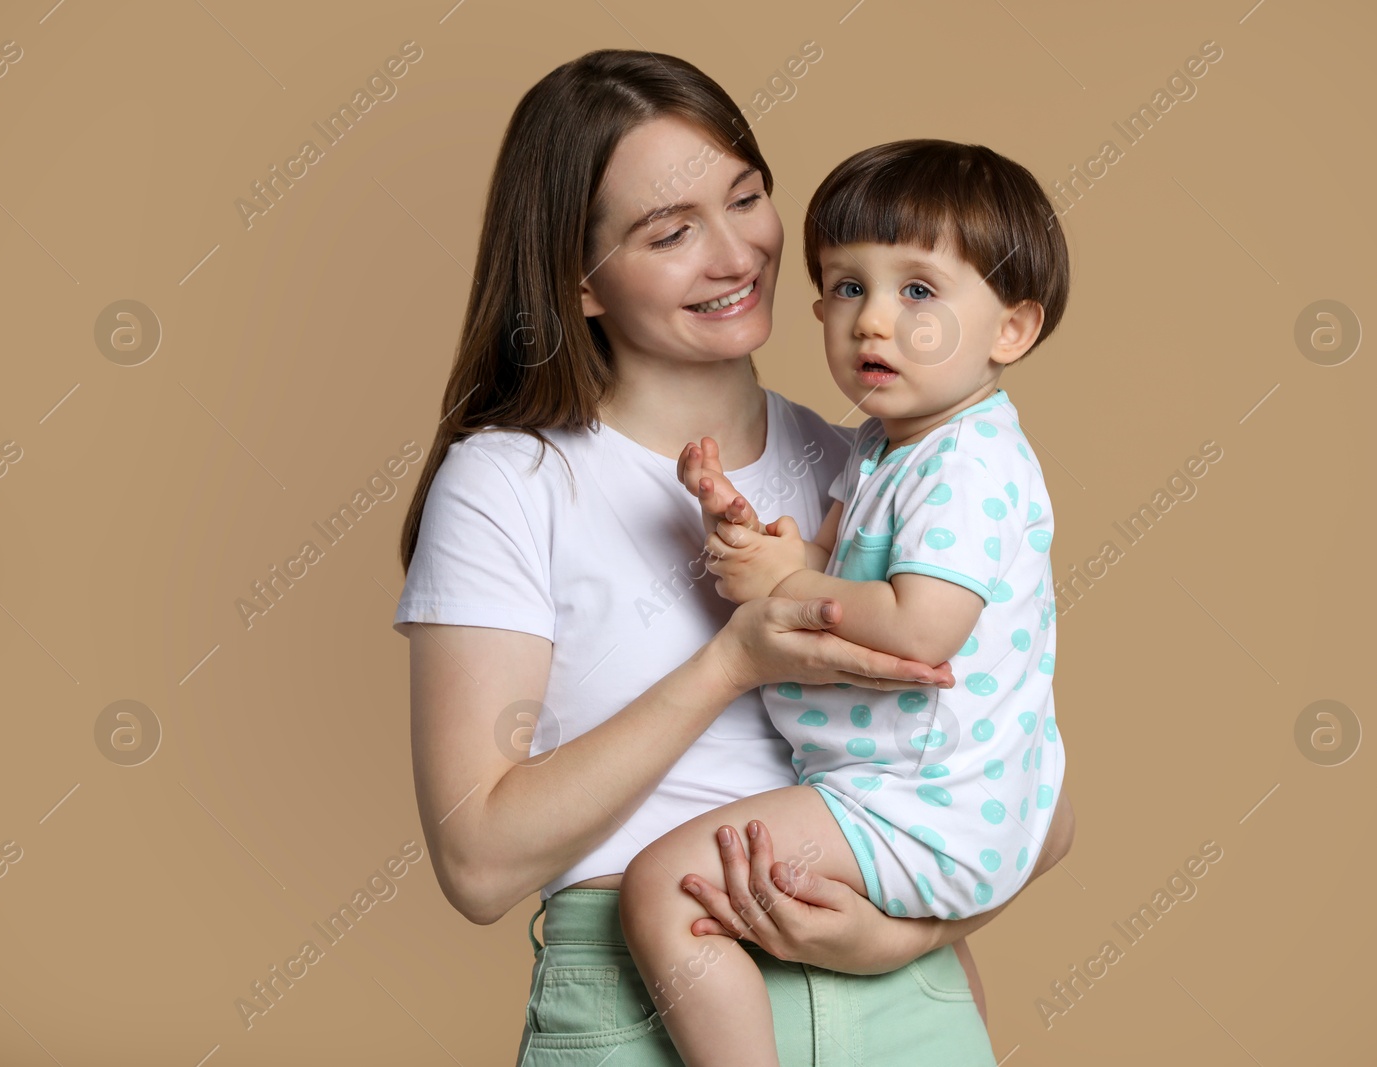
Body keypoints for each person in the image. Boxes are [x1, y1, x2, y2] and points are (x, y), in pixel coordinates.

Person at [392, 49, 1077, 1066]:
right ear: (579, 281)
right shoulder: (512, 484)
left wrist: (904, 933)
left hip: (900, 999)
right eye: (671, 232)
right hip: (641, 998)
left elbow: (1033, 795)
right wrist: (733, 662)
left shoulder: (877, 464)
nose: (737, 255)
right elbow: (477, 861)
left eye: (745, 197)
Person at [616, 140, 1070, 1066]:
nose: (872, 323)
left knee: (664, 887)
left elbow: (921, 623)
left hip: (919, 798)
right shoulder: (887, 444)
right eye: (846, 288)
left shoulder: (968, 463)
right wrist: (752, 540)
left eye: (918, 292)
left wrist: (786, 585)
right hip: (894, 787)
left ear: (1010, 331)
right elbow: (830, 563)